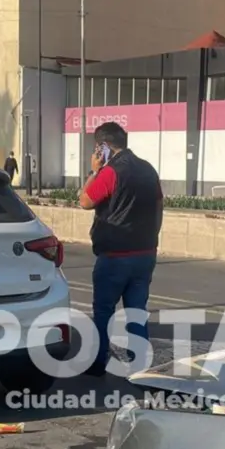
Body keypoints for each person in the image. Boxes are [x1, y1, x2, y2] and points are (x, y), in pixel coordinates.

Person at [78, 121, 163, 377]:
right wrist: (151, 239)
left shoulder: (111, 172)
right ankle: (140, 365)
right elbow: (159, 208)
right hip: (145, 253)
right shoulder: (148, 169)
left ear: (103, 147)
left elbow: (85, 201)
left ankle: (96, 364)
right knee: (137, 311)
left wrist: (94, 171)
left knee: (104, 312)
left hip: (115, 256)